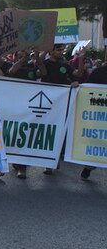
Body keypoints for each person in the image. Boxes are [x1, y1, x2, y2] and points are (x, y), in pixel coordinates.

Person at [41, 44, 82, 174]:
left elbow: (78, 74)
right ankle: (48, 161)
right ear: (51, 51)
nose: (61, 52)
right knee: (47, 131)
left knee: (59, 131)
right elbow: (39, 67)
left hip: (62, 104)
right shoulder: (45, 63)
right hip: (47, 103)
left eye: (62, 50)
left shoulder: (64, 64)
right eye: (58, 50)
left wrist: (81, 59)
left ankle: (53, 160)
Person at [8, 49, 47, 179]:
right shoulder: (13, 67)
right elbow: (12, 71)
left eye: (24, 56)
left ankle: (22, 167)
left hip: (29, 108)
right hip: (14, 106)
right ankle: (15, 160)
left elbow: (43, 72)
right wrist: (23, 58)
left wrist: (38, 58)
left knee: (24, 135)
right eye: (19, 56)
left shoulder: (31, 69)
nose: (23, 58)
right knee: (13, 135)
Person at [79, 61, 107, 180]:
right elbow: (88, 88)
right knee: (97, 141)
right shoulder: (99, 72)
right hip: (100, 113)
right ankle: (89, 166)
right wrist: (79, 87)